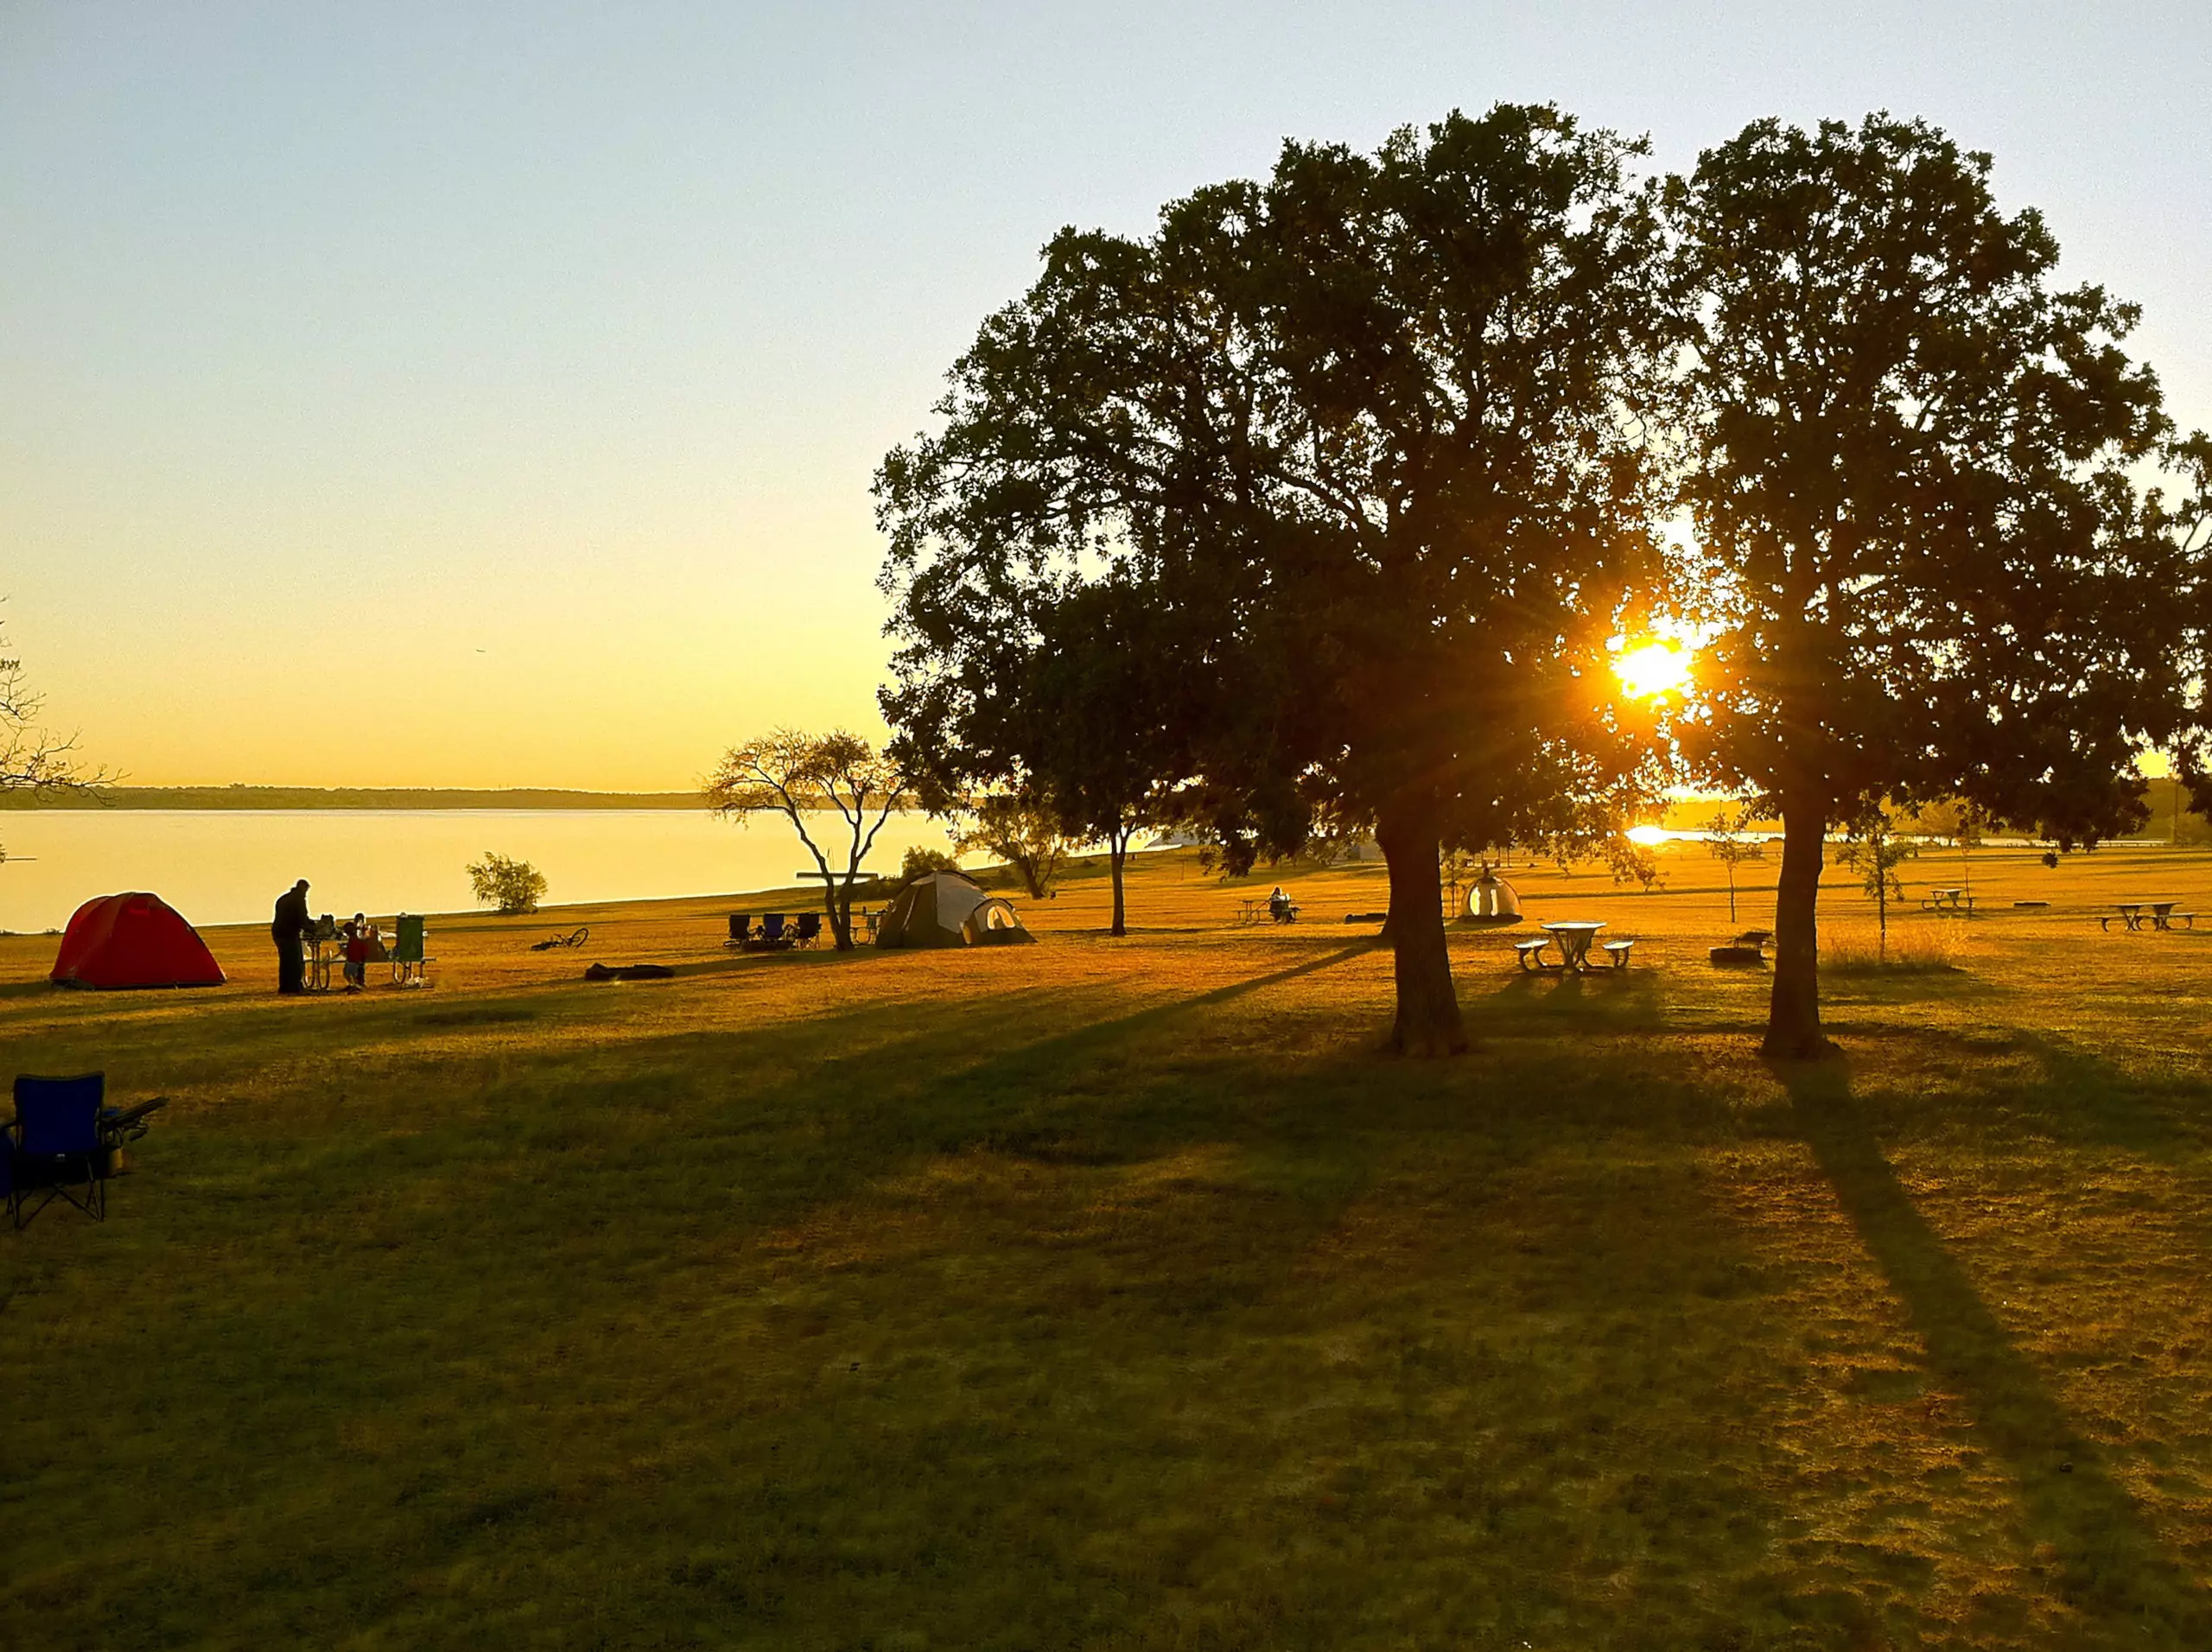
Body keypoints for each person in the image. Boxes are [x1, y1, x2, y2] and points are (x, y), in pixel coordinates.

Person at [271, 879, 313, 994]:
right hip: (289, 933)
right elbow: (302, 919)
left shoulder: (284, 898)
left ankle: (285, 987)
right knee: (295, 961)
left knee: (285, 961)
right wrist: (313, 928)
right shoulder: (298, 900)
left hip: (279, 932)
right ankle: (295, 987)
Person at [341, 912, 371, 991]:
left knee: (350, 972)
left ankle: (355, 985)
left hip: (354, 959)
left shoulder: (355, 937)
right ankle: (356, 984)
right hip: (359, 957)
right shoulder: (358, 935)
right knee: (357, 971)